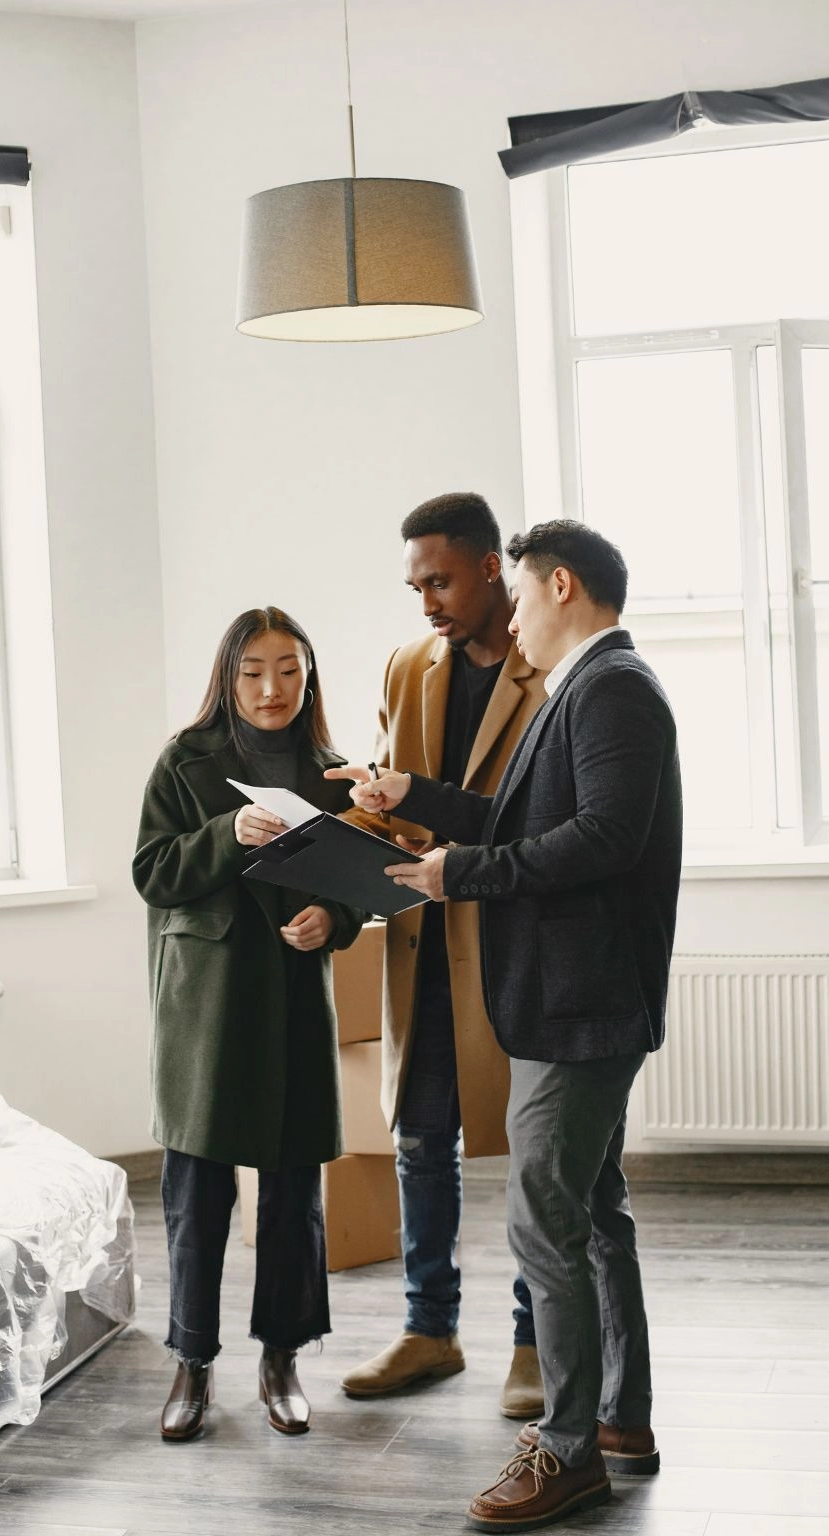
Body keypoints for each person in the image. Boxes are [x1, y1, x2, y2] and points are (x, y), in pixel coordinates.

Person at [330, 520, 682, 1532]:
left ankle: (567, 1451)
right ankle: (618, 1421)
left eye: (520, 598)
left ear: (560, 585)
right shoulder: (586, 685)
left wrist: (461, 876)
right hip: (575, 1001)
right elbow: (526, 817)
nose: (512, 617)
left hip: (582, 1008)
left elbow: (602, 840)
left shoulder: (610, 686)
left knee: (544, 1217)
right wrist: (415, 797)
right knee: (593, 1210)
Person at [337, 492, 549, 1418]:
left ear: (493, 566)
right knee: (423, 1141)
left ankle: (537, 1340)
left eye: (442, 580)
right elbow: (395, 801)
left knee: (535, 1155)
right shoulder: (408, 664)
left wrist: (415, 797)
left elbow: (537, 821)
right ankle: (431, 1331)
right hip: (423, 943)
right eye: (416, 584)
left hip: (516, 944)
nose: (427, 601)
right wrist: (334, 831)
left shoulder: (553, 668)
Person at [133, 607, 367, 1442]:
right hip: (206, 1007)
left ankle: (283, 1358)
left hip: (296, 1004)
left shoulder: (336, 772)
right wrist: (227, 832)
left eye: (290, 670)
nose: (273, 689)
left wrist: (331, 923)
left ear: (310, 676)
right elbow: (153, 873)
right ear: (228, 677)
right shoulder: (186, 761)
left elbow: (354, 889)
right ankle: (191, 1363)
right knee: (196, 1194)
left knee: (295, 1191)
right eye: (254, 672)